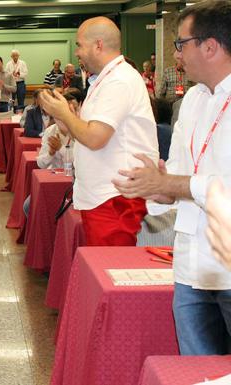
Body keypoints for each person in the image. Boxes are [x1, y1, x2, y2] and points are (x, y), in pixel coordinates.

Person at [112, 0, 231, 355]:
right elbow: (180, 176)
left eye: (181, 43)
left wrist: (171, 184)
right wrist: (156, 184)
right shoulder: (192, 100)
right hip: (191, 266)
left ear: (209, 46)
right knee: (196, 370)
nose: (176, 54)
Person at [38, 16, 158, 247]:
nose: (78, 53)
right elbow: (90, 132)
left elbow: (95, 138)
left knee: (112, 270)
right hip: (104, 196)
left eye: (80, 45)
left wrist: (64, 113)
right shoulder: (104, 80)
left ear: (98, 45)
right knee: (101, 270)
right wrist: (69, 121)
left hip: (115, 198)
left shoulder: (119, 80)